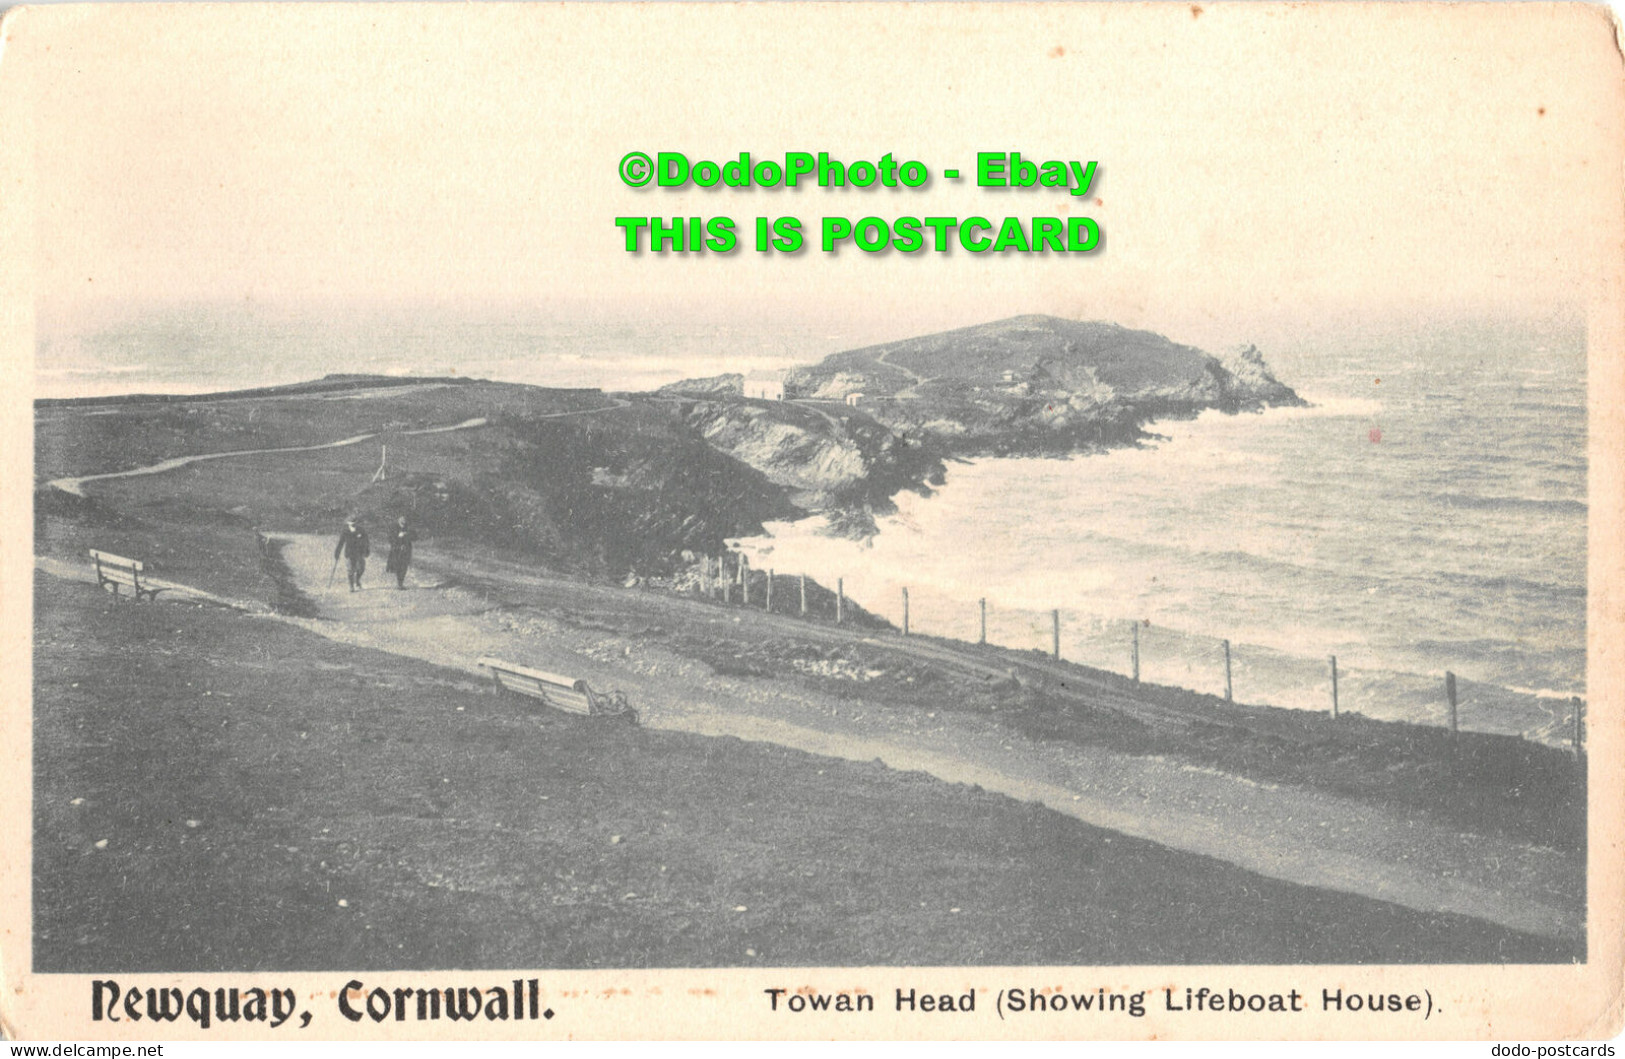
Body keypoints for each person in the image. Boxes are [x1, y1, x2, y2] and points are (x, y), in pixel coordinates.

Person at [334, 517, 370, 592]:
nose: (353, 525)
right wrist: (337, 553)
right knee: (350, 569)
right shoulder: (345, 531)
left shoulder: (361, 530)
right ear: (348, 523)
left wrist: (367, 550)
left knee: (361, 568)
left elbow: (366, 541)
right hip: (350, 553)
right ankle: (351, 586)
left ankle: (357, 580)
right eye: (351, 523)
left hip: (359, 552)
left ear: (356, 523)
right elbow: (341, 543)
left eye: (354, 523)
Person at [385, 516, 416, 589]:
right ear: (399, 522)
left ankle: (400, 583)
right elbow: (390, 538)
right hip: (396, 550)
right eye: (401, 523)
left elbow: (415, 537)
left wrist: (407, 534)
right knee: (397, 565)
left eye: (404, 523)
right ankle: (399, 581)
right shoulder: (393, 528)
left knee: (404, 566)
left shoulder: (409, 528)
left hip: (406, 550)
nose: (403, 525)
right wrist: (397, 536)